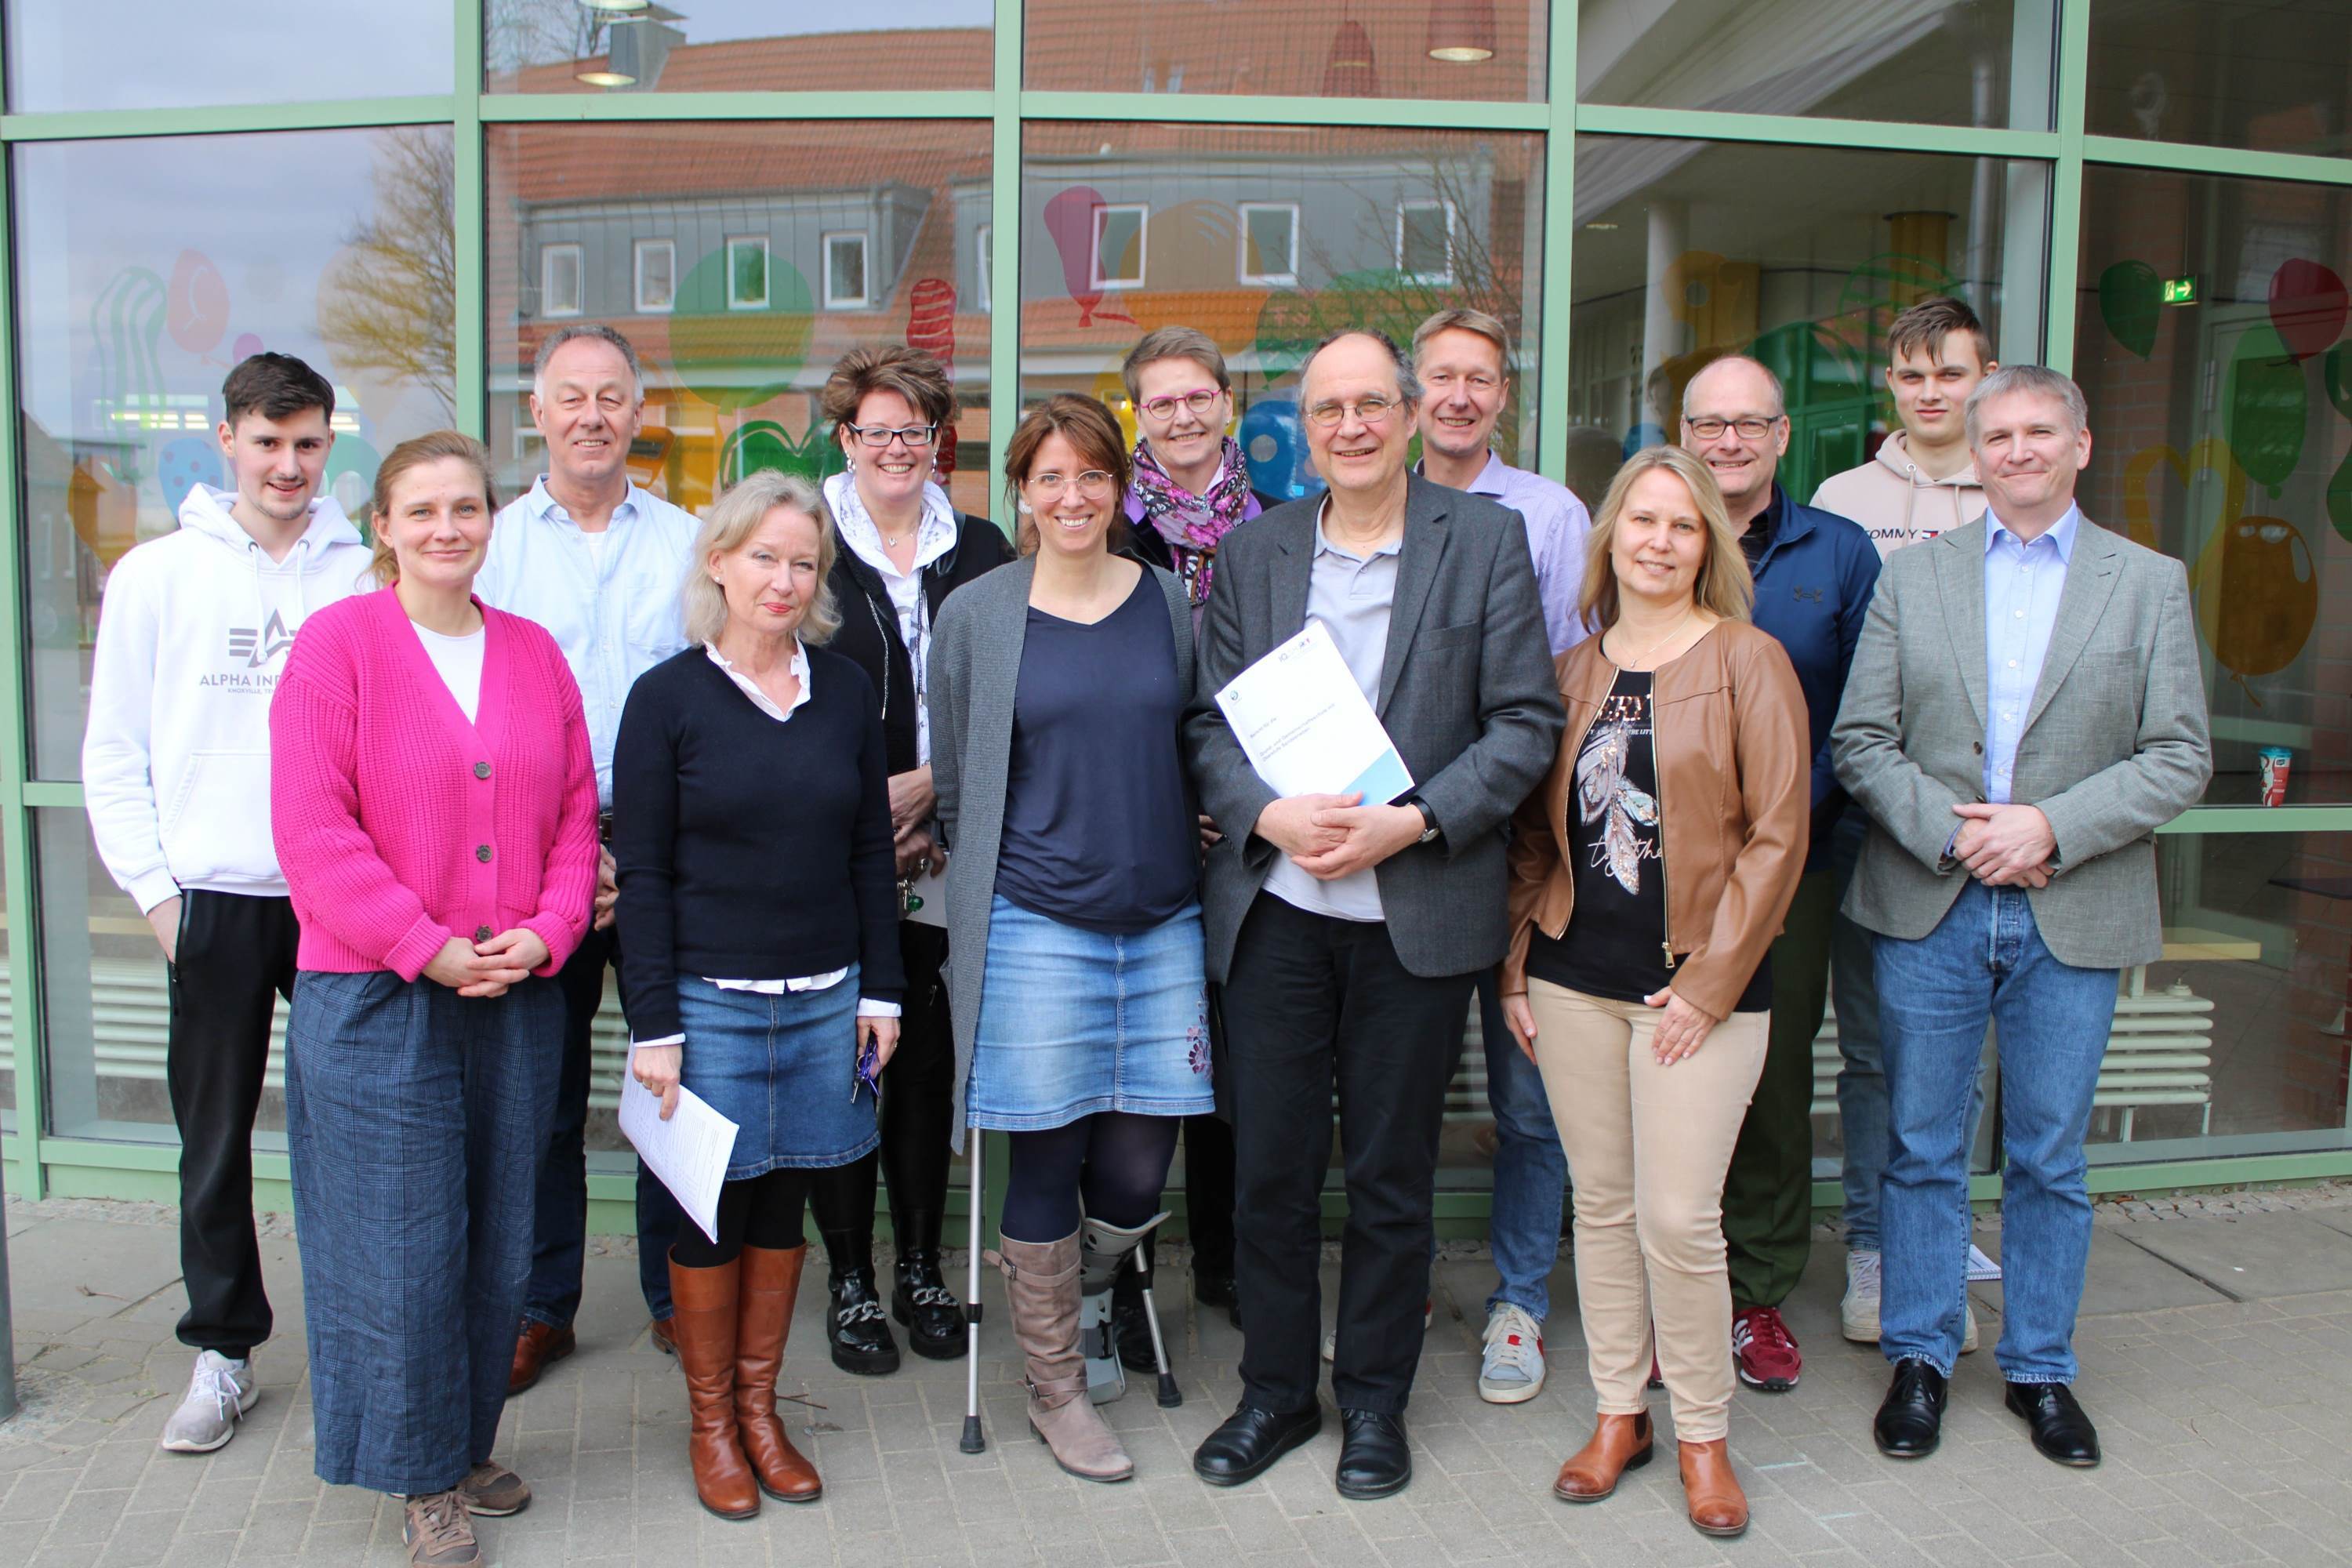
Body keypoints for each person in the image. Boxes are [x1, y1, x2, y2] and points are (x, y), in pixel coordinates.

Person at [1185, 329, 1563, 1501]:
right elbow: (1206, 728)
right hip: (1281, 915)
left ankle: (1377, 1405)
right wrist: (1267, 815)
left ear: (1408, 416)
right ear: (1305, 428)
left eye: (1368, 404)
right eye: (1325, 409)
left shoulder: (1485, 542)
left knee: (1395, 1180)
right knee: (1273, 1174)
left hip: (1415, 906)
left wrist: (1416, 822)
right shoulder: (1254, 553)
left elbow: (1524, 725)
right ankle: (1277, 1393)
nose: (1348, 426)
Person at [1835, 366, 2210, 1469]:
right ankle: (1920, 1357)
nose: (2018, 450)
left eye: (2040, 431)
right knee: (1919, 1148)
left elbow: (2179, 754)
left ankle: (2041, 1370)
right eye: (1997, 434)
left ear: (2081, 446)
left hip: (2073, 906)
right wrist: (1961, 836)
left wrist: (2049, 825)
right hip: (1931, 900)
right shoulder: (1919, 580)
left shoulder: (2148, 584)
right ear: (1977, 451)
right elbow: (1863, 741)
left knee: (2050, 1155)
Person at [270, 431, 600, 1568]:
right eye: (423, 512)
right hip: (375, 997)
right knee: (398, 1248)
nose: (448, 528)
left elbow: (574, 821)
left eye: (467, 508)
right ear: (383, 529)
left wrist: (552, 930)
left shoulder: (532, 653)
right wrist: (426, 946)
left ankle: (463, 1444)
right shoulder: (339, 646)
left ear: (491, 521)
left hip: (511, 993)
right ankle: (420, 1481)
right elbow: (314, 836)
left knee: (498, 1234)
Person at [1499, 445, 1807, 1539]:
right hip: (1574, 982)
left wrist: (1712, 986)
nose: (1662, 542)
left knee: (1681, 1220)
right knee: (1607, 1208)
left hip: (1698, 993)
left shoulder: (1748, 659)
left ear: (1706, 547)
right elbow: (1536, 838)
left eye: (1684, 526)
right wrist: (1517, 966)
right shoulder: (1571, 669)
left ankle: (1704, 1436)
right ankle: (1619, 1413)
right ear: (1612, 539)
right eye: (1644, 522)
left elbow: (1779, 837)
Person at [82, 352, 369, 1455]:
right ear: (227, 441)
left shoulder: (363, 572)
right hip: (213, 901)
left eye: (307, 444)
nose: (288, 464)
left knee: (353, 1129)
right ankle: (223, 1352)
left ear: (328, 445)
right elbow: (113, 753)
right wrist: (163, 903)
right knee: (215, 1138)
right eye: (267, 441)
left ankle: (359, 1336)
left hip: (339, 901)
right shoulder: (159, 575)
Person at [928, 394, 1210, 1483]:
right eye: (1050, 478)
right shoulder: (981, 614)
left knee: (1140, 1167)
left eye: (1092, 475)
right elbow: (958, 779)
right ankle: (1055, 1388)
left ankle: (1087, 1294)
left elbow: (1197, 739)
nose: (1074, 495)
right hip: (1037, 923)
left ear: (1119, 484)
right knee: (1044, 1149)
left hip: (1164, 921)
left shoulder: (1173, 604)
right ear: (1023, 493)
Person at [615, 470, 904, 1519]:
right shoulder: (666, 701)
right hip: (709, 1007)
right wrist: (654, 1019)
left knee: (789, 1205)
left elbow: (872, 850)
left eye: (803, 562)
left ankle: (762, 1410)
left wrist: (885, 992)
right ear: (719, 563)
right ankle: (710, 1426)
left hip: (826, 999)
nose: (784, 580)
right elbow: (640, 872)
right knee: (712, 1215)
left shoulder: (841, 693)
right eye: (764, 557)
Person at [476, 323, 695, 1394]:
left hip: (669, 852)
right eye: (572, 397)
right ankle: (537, 1303)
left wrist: (636, 853)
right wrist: (574, 854)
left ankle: (676, 1296)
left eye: (612, 396)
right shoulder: (495, 548)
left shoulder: (690, 542)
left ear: (638, 412)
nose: (593, 416)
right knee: (539, 1094)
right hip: (534, 855)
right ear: (538, 413)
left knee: (671, 1084)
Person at [1678, 354, 1881, 1392]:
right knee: (1663, 1071)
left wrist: (1779, 834)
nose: (1728, 443)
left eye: (1748, 424)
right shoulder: (1660, 538)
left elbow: (1864, 716)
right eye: (1708, 425)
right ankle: (1676, 1290)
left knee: (1767, 1076)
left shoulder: (1838, 553)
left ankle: (1755, 1295)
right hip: (1660, 868)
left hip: (1790, 862)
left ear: (1784, 435)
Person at [1411, 306, 1592, 1406]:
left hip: (1528, 849)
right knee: (1407, 1093)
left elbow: (1570, 688)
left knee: (1530, 1100)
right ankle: (1409, 1280)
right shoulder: (1373, 504)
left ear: (1503, 394)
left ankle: (1520, 1299)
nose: (1461, 396)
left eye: (1481, 377)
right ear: (1412, 393)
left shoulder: (1551, 514)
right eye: (1443, 376)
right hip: (1417, 846)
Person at [814, 344, 1007, 1374]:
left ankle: (921, 1266)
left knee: (926, 1062)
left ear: (942, 443)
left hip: (951, 844)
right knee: (844, 1066)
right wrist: (861, 809)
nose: (896, 448)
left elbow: (1015, 694)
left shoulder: (983, 545)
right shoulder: (803, 541)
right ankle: (848, 1277)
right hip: (830, 851)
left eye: (916, 431)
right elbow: (768, 685)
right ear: (845, 439)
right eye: (876, 430)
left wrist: (935, 788)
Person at [1810, 296, 1997, 1345]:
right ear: (1892, 384)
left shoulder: (2012, 486)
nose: (1932, 392)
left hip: (1989, 825)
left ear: (1984, 376)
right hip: (1868, 817)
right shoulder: (1844, 498)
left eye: (1952, 373)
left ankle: (1937, 1239)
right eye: (1914, 374)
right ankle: (1878, 1253)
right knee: (1876, 1051)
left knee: (1960, 1055)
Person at [1109, 325, 1276, 1355]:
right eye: (1159, 401)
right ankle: (1123, 1281)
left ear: (1225, 400)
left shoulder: (1278, 526)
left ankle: (1229, 1262)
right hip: (1140, 823)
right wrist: (1180, 790)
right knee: (1139, 1066)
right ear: (1139, 412)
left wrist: (1248, 796)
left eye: (1196, 396)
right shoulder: (1107, 527)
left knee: (1240, 1063)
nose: (1180, 414)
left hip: (1255, 832)